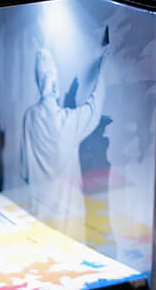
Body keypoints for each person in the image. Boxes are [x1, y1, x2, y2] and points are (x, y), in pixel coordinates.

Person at [19, 39, 107, 242]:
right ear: (55, 84)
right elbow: (94, 110)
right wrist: (102, 68)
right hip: (69, 223)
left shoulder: (29, 117)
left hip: (39, 219)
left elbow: (24, 171)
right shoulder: (66, 123)